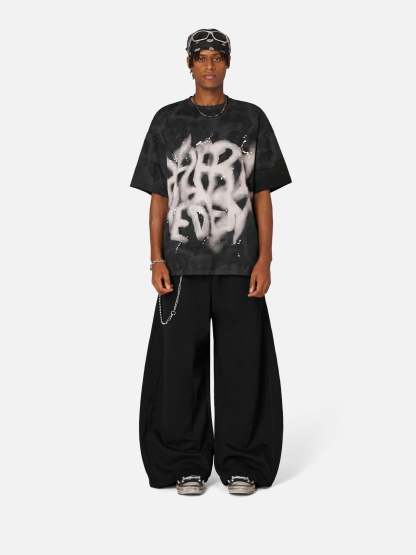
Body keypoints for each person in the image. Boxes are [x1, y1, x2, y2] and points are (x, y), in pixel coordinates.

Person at [130, 28, 292, 495]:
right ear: (189, 64)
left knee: (243, 366)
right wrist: (155, 259)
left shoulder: (250, 118)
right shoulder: (167, 120)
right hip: (181, 268)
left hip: (240, 267)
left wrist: (265, 259)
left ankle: (243, 462)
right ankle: (185, 463)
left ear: (228, 63)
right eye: (200, 58)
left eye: (216, 57)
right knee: (180, 369)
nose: (209, 66)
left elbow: (262, 195)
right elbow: (158, 198)